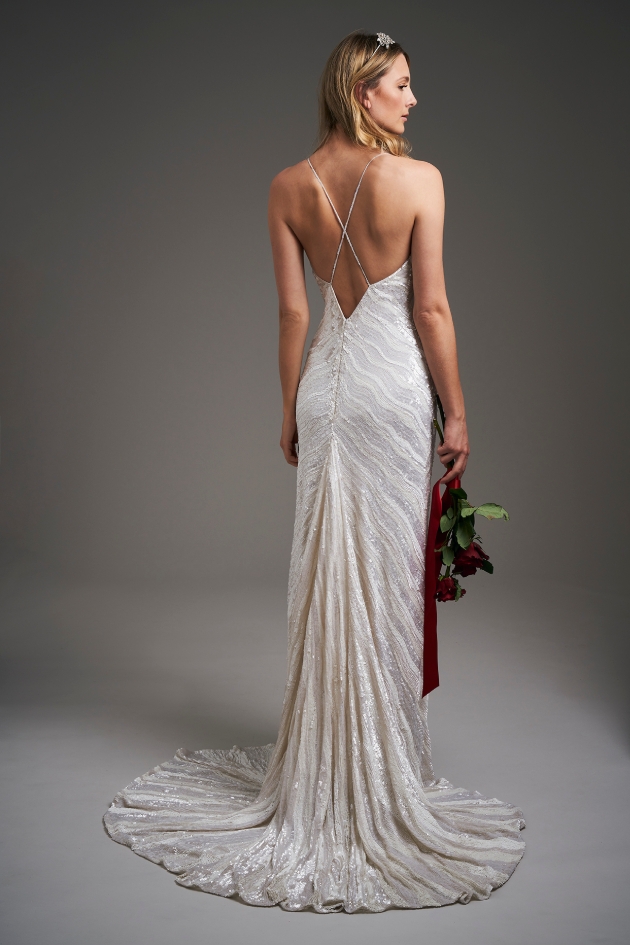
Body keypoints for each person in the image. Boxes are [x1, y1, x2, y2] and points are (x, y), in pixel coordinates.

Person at [104, 30, 525, 913]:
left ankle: (332, 765)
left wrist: (291, 406)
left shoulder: (286, 185)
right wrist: (458, 410)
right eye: (402, 86)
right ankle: (379, 775)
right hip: (394, 391)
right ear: (362, 92)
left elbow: (294, 311)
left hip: (332, 392)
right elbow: (433, 307)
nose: (414, 101)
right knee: (380, 572)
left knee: (332, 570)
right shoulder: (422, 182)